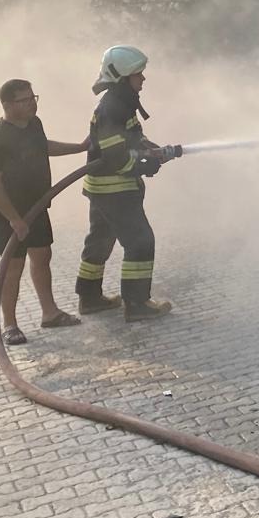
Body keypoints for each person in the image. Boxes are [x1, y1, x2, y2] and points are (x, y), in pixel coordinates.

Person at [0, 80, 88, 347]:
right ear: (7, 105)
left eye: (33, 98)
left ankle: (50, 313)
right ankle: (10, 324)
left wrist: (80, 147)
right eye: (24, 100)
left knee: (42, 255)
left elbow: (43, 146)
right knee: (13, 265)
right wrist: (14, 219)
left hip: (36, 204)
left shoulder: (34, 124)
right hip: (7, 210)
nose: (32, 103)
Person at [75, 45, 173, 322]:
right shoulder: (113, 108)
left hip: (103, 188)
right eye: (138, 75)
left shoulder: (120, 102)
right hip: (115, 189)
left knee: (100, 240)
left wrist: (152, 149)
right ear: (122, 77)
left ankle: (90, 298)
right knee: (141, 241)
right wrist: (148, 164)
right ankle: (137, 303)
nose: (143, 80)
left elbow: (129, 138)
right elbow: (117, 159)